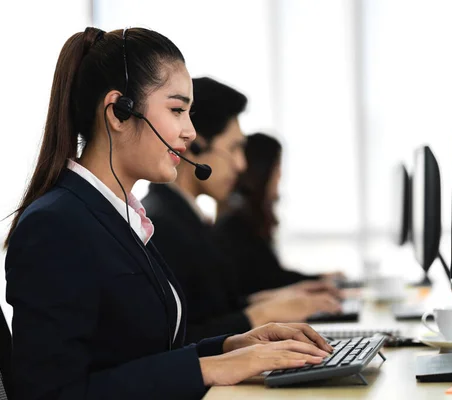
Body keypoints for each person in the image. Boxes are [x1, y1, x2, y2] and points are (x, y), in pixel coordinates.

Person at [4, 27, 333, 400]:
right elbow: (50, 394)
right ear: (118, 112)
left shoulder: (121, 218)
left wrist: (231, 346)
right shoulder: (56, 225)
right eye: (177, 110)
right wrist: (208, 368)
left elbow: (142, 355)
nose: (190, 132)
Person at [142, 77, 342, 344]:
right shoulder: (160, 225)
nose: (240, 165)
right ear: (196, 145)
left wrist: (277, 299)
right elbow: (177, 338)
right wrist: (261, 315)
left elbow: (214, 306)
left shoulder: (186, 217)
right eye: (234, 148)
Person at [215, 133, 345, 299]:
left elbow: (272, 275)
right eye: (277, 168)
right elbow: (269, 281)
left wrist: (320, 279)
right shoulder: (237, 224)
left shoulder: (246, 217)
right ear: (263, 172)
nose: (280, 176)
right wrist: (319, 281)